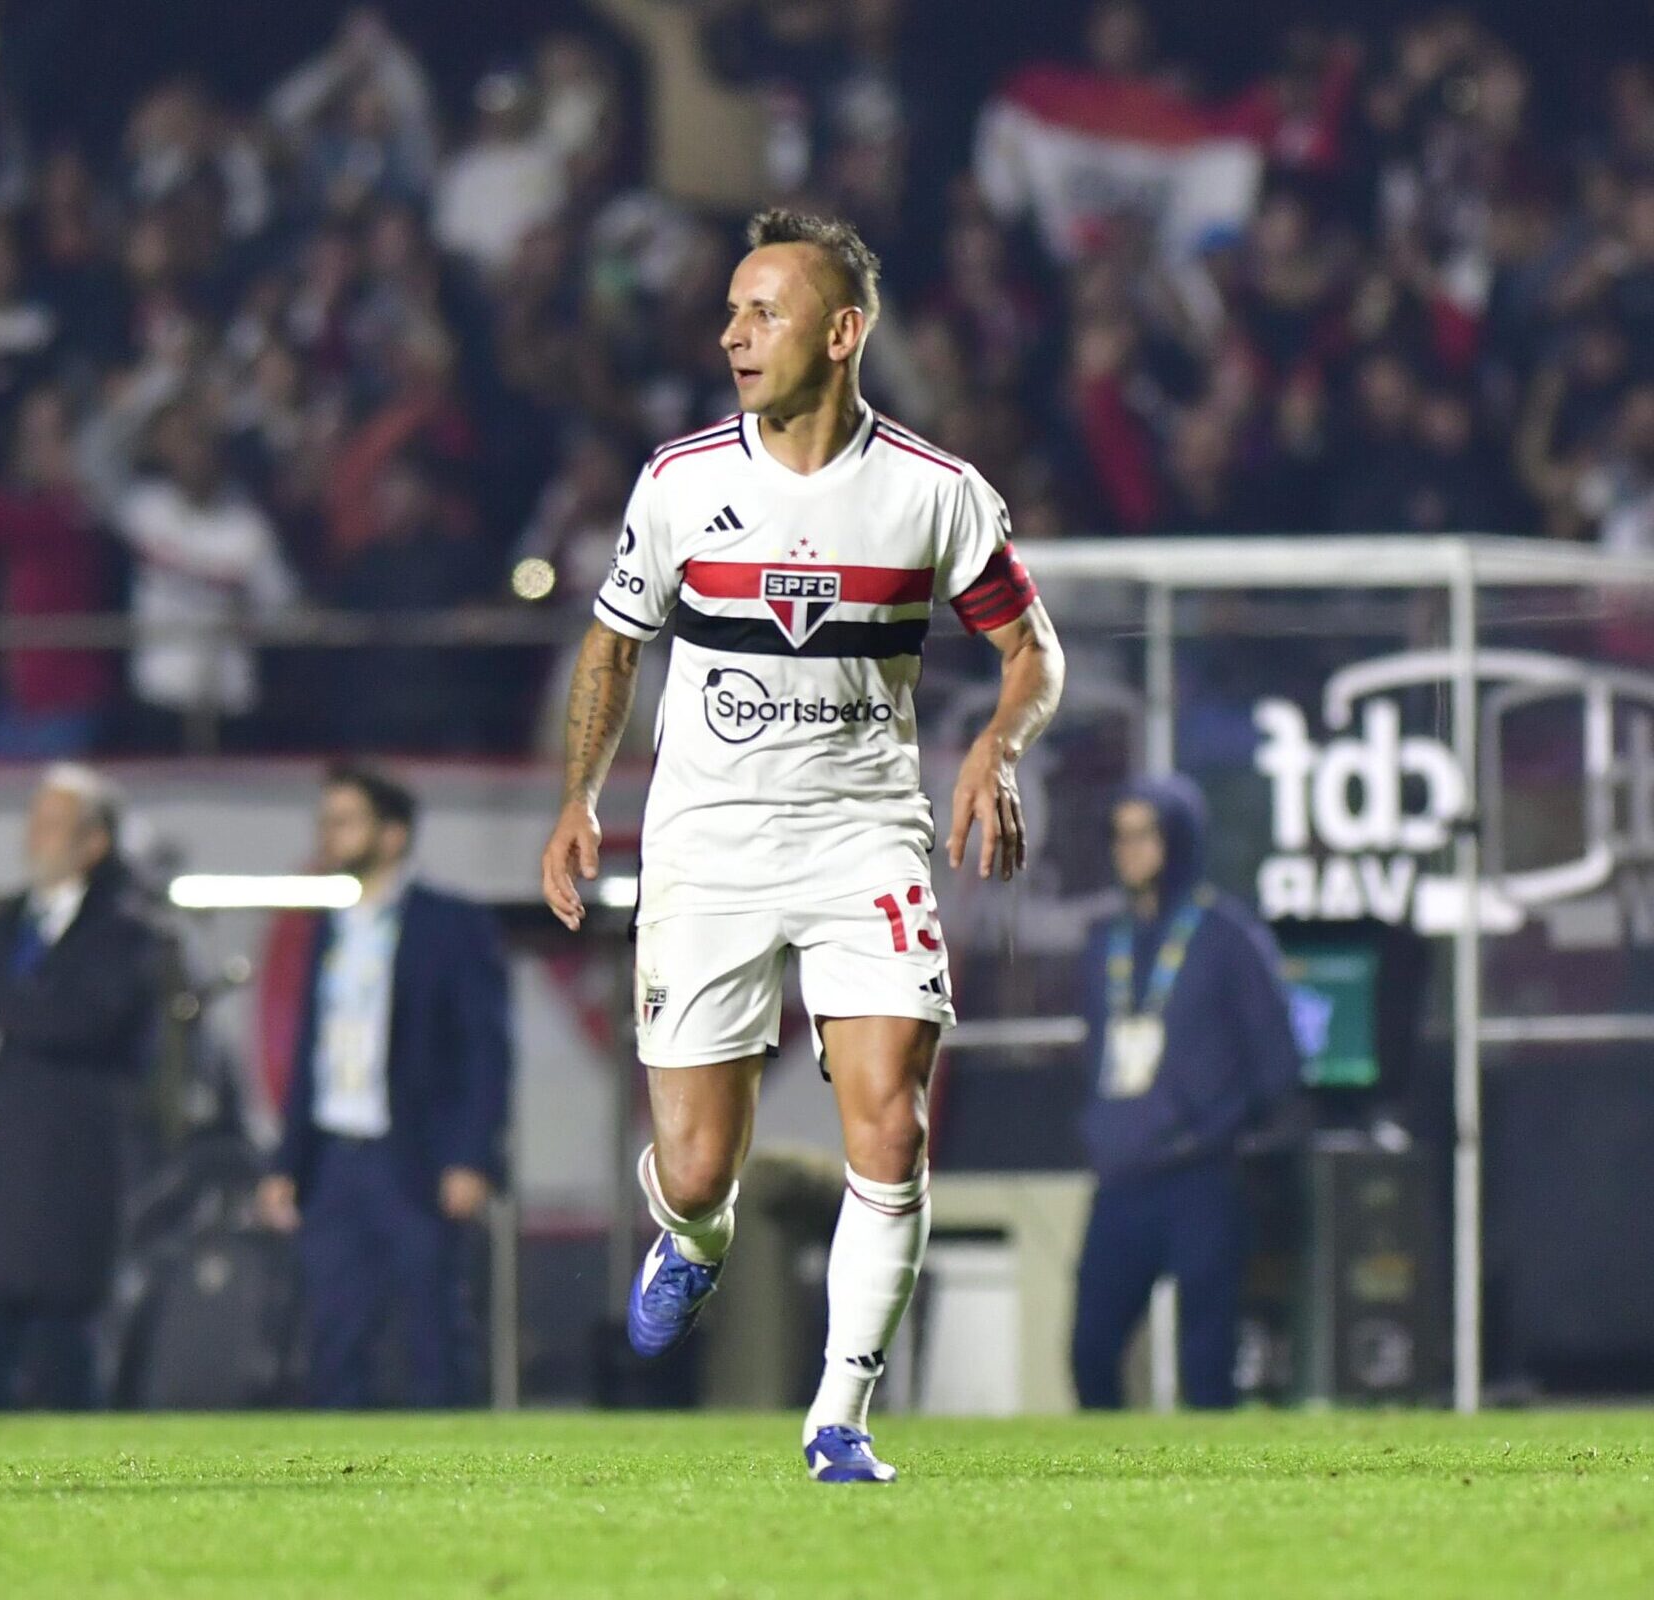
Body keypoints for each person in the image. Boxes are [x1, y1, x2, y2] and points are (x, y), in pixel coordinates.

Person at [539, 210, 1066, 1483]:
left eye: (761, 312)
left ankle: (840, 1415)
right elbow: (613, 647)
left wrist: (998, 742)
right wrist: (577, 799)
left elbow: (1032, 652)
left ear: (844, 333)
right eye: (728, 312)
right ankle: (695, 1232)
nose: (731, 333)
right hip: (706, 842)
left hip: (862, 839)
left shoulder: (933, 491)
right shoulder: (677, 482)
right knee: (699, 1161)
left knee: (889, 1129)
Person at [0, 763, 166, 1409]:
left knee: (57, 1347)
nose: (35, 836)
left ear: (94, 842)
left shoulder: (124, 932)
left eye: (52, 824)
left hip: (58, 1167)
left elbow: (71, 1020)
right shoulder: (14, 922)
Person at [259, 764, 511, 1408]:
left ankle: (457, 1480)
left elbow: (484, 1051)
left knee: (435, 1329)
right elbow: (311, 1051)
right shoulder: (328, 925)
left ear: (393, 835)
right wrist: (288, 1162)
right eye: (325, 822)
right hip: (336, 1159)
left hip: (415, 1157)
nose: (328, 836)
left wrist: (470, 1156)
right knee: (334, 1335)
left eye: (344, 821)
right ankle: (337, 1487)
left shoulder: (448, 924)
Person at [1070, 776, 1303, 1411]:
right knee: (1090, 1350)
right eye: (1120, 835)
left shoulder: (1226, 938)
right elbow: (1100, 1055)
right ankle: (1106, 1491)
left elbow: (1276, 1055)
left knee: (1207, 1361)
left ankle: (1217, 1497)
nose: (1130, 849)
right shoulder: (1103, 944)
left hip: (1200, 1175)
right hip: (1121, 1175)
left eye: (1146, 834)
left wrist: (1233, 1136)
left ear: (1179, 840)